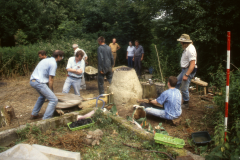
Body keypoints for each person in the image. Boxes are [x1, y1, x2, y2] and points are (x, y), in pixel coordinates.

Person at [30, 50, 64, 120]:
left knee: (42, 96)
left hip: (33, 81)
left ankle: (34, 114)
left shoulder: (46, 60)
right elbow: (50, 79)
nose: (62, 58)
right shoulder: (53, 63)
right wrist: (51, 91)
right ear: (58, 56)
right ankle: (46, 119)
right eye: (61, 56)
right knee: (54, 99)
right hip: (39, 82)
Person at [175, 34, 197, 109]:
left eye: (182, 42)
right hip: (185, 69)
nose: (180, 43)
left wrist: (186, 75)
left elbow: (192, 64)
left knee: (184, 88)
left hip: (188, 70)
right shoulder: (187, 48)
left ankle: (186, 103)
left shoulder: (191, 50)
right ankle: (175, 98)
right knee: (176, 82)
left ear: (185, 42)